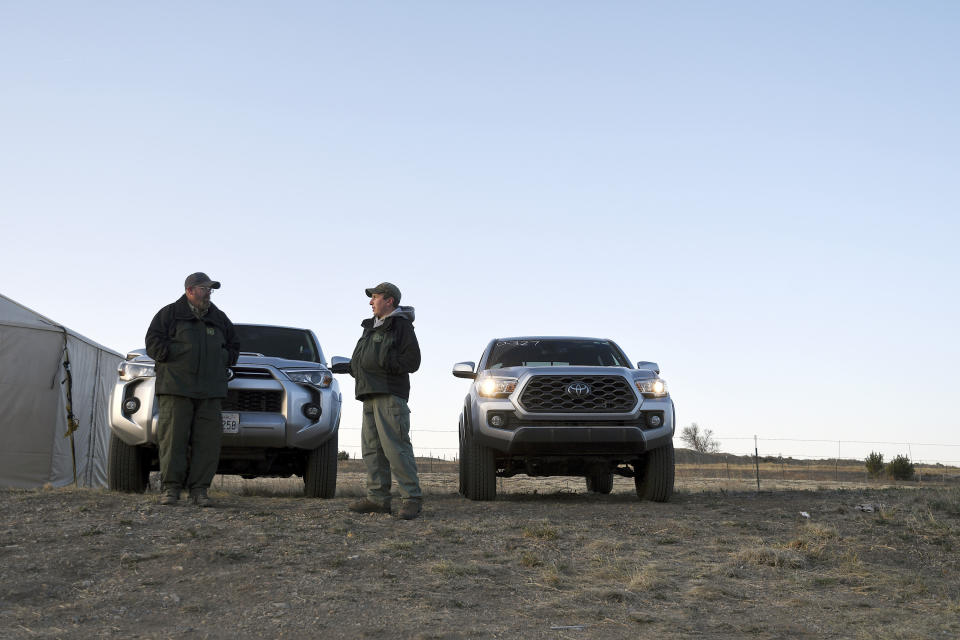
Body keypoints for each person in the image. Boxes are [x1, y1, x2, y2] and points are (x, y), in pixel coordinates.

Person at [145, 272, 239, 507]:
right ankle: (171, 490)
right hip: (176, 388)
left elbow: (234, 346)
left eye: (211, 289)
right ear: (190, 290)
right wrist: (173, 356)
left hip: (210, 391)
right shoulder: (170, 314)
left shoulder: (219, 318)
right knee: (173, 441)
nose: (209, 293)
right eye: (205, 288)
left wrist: (223, 357)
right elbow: (153, 341)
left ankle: (200, 491)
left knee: (207, 443)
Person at [347, 282, 423, 520]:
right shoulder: (371, 328)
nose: (371, 302)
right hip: (369, 394)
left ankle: (411, 499)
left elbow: (413, 361)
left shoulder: (400, 325)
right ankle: (378, 500)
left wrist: (384, 366)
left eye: (375, 297)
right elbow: (365, 358)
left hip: (390, 394)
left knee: (396, 448)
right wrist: (353, 367)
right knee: (372, 450)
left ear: (389, 300)